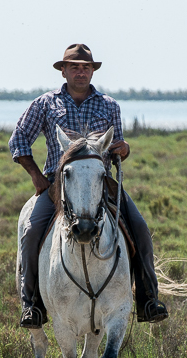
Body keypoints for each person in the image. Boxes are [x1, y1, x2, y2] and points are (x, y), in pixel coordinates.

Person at [9, 43, 168, 328]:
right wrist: (36, 177)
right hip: (60, 186)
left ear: (92, 71)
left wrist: (125, 148)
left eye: (86, 67)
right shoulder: (45, 104)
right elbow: (18, 140)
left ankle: (148, 299)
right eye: (74, 67)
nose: (80, 72)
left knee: (140, 229)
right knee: (32, 232)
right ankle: (32, 305)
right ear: (64, 71)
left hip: (101, 183)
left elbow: (117, 147)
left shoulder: (109, 105)